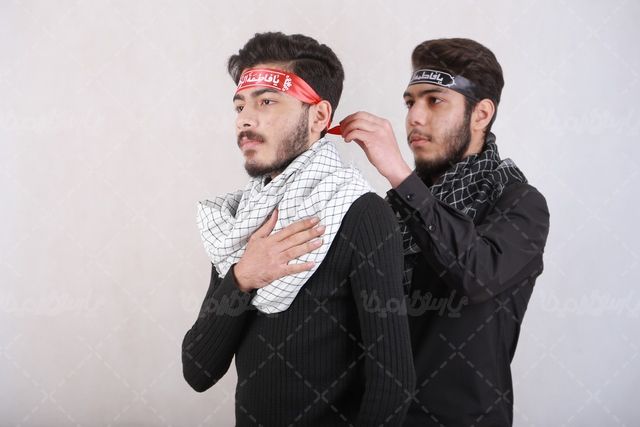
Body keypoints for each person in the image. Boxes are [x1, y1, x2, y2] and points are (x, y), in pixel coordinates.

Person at [181, 32, 415, 426]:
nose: (245, 119)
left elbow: (393, 384)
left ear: (319, 117)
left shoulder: (362, 214)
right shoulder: (242, 223)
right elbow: (198, 371)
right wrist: (242, 278)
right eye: (240, 105)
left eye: (267, 101)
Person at [338, 38, 550, 426]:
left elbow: (475, 275)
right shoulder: (393, 208)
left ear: (480, 114)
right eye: (410, 102)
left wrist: (399, 175)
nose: (414, 117)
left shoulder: (519, 202)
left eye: (434, 100)